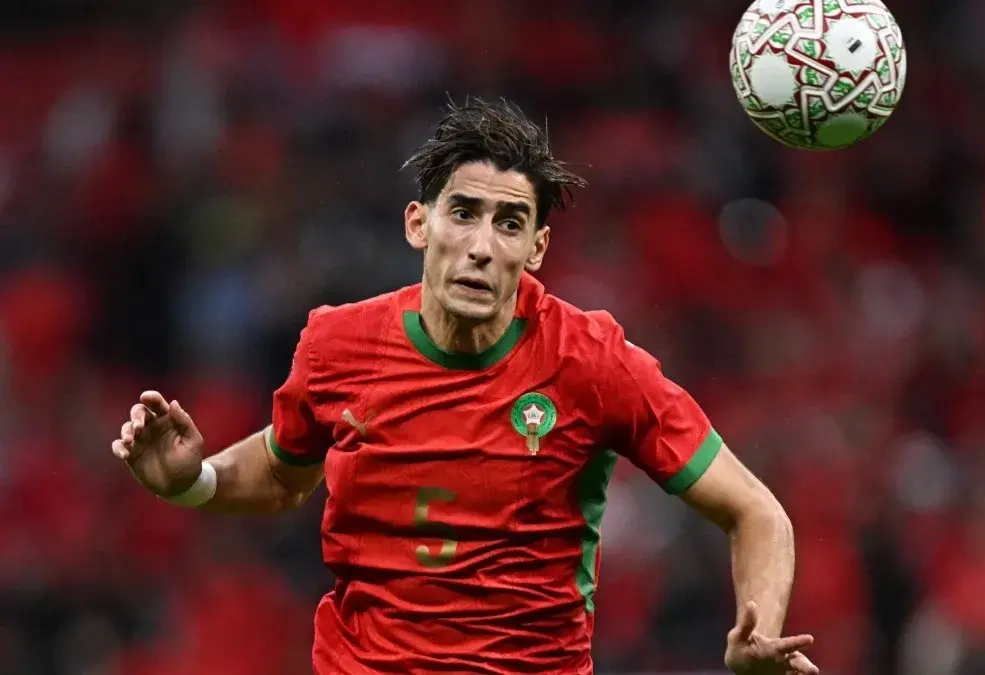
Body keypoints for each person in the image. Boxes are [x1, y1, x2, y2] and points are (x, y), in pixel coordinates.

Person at [111, 98, 817, 675]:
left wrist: (759, 630)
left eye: (510, 223)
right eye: (463, 213)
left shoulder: (591, 361)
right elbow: (284, 470)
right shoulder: (335, 345)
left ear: (537, 248)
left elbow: (757, 511)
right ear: (419, 224)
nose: (482, 245)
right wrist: (194, 481)